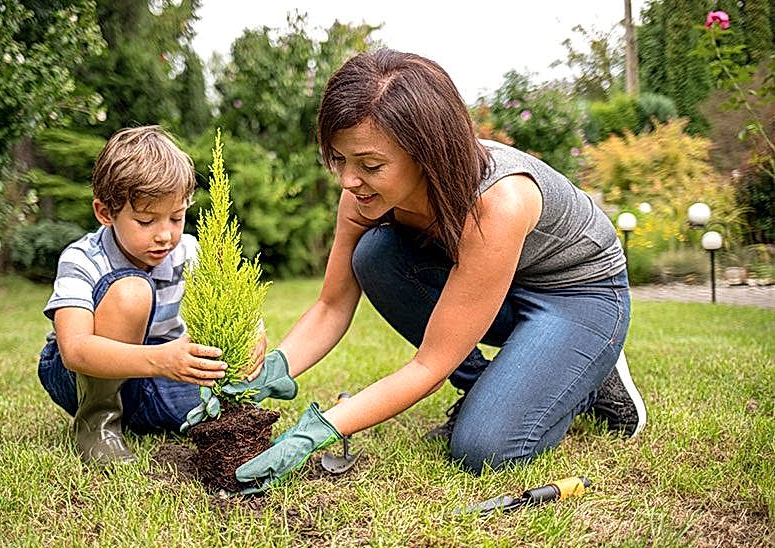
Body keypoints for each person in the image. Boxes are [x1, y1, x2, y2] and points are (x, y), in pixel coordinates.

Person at [232, 49, 647, 492]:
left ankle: (589, 375)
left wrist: (318, 431)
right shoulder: (361, 196)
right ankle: (493, 384)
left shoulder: (497, 202)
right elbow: (331, 306)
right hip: (491, 288)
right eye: (340, 160)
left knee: (485, 449)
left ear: (426, 153)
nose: (348, 181)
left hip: (577, 295)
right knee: (374, 255)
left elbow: (429, 365)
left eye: (370, 165)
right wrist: (271, 372)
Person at [37, 125, 263, 466]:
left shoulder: (187, 251)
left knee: (228, 405)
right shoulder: (82, 258)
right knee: (132, 291)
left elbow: (229, 301)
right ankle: (97, 421)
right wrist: (161, 360)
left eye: (176, 217)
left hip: (152, 375)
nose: (165, 235)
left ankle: (138, 417)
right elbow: (75, 350)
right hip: (82, 375)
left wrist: (253, 331)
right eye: (146, 221)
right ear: (105, 213)